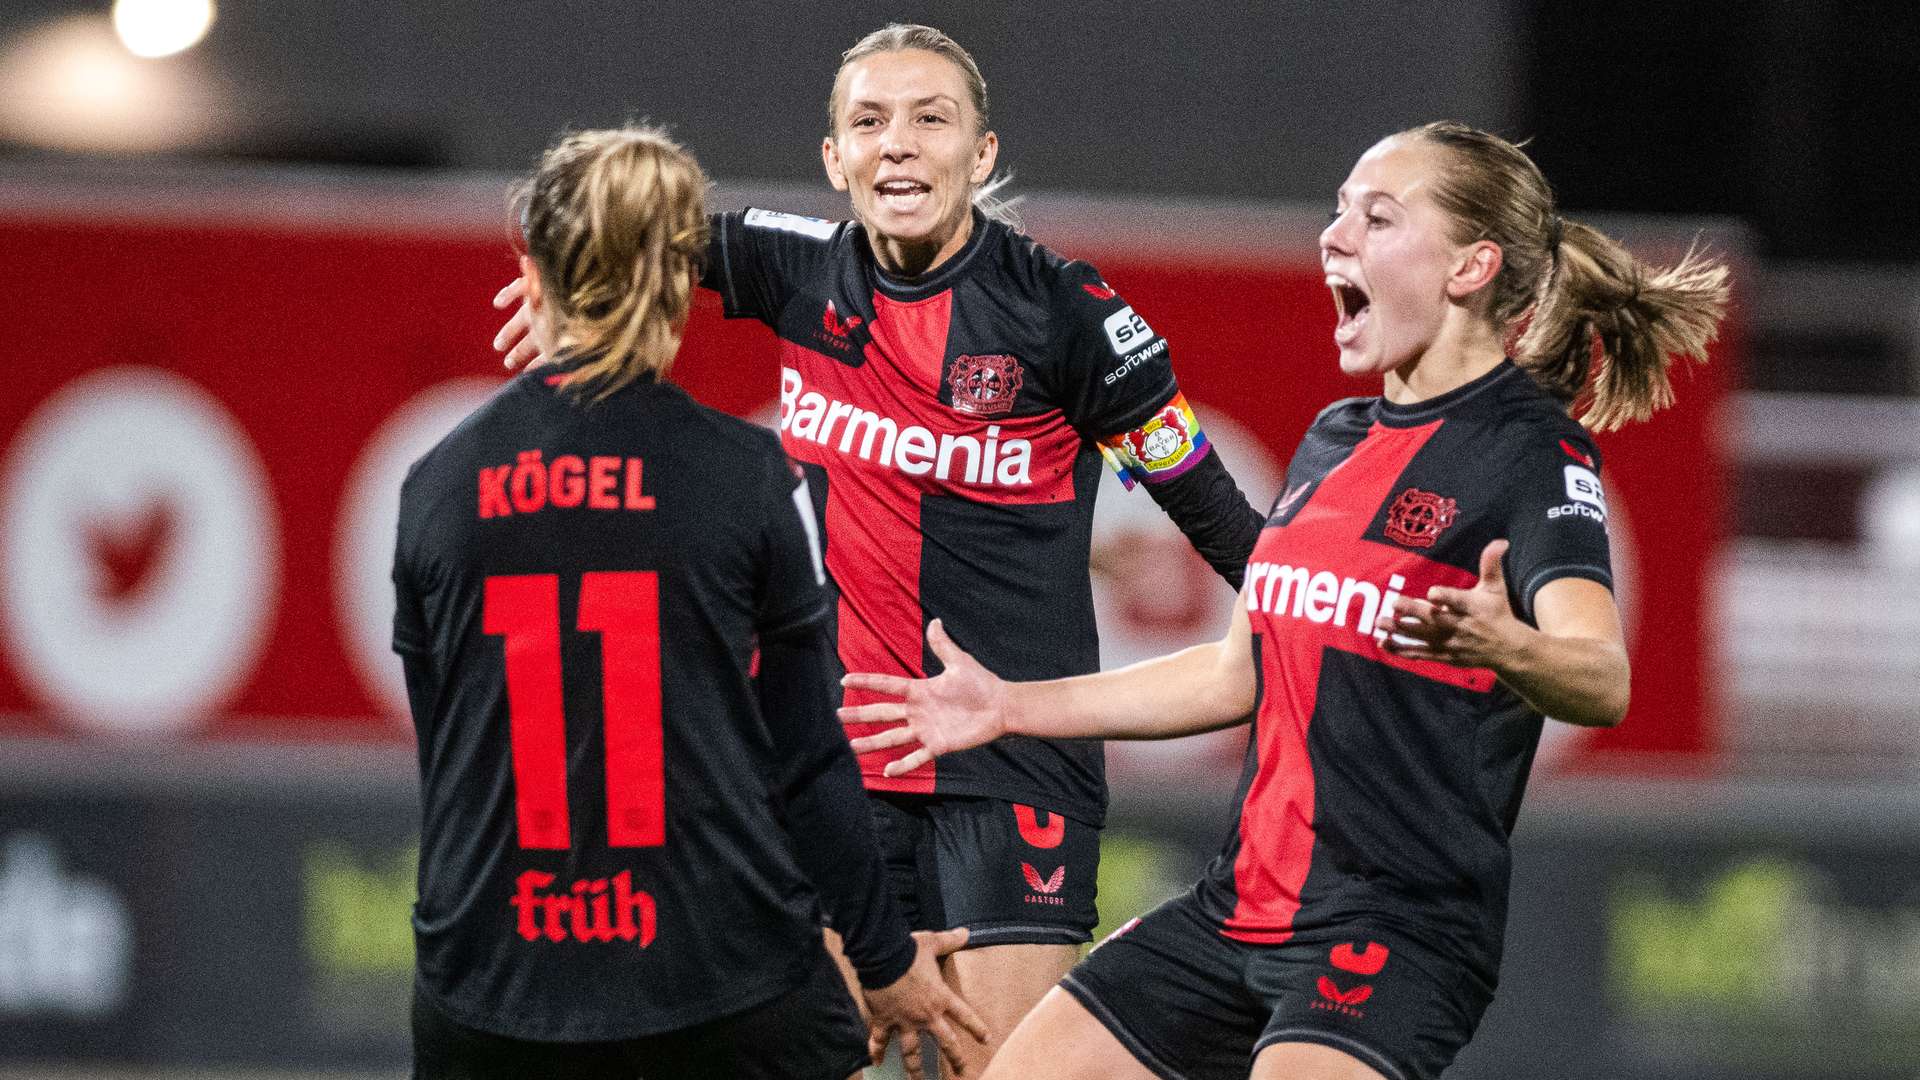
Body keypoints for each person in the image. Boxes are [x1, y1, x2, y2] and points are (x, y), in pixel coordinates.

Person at [838, 120, 1730, 1080]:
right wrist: (1009, 707)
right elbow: (1238, 670)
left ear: (1471, 266)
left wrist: (1506, 645)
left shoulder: (1532, 452)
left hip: (1392, 933)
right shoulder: (1335, 437)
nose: (1334, 235)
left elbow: (1602, 679)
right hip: (1232, 915)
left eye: (1376, 216)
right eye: (1339, 209)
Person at [489, 24, 1268, 1074]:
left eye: (929, 118)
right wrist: (567, 293)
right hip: (837, 765)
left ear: (980, 156)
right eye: (870, 122)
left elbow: (1226, 524)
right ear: (834, 160)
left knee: (981, 1071)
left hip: (1011, 768)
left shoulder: (1067, 316)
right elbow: (620, 224)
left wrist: (1343, 646)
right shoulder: (794, 266)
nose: (898, 144)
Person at [394, 125, 986, 1080]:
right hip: (717, 993)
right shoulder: (751, 479)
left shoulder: (435, 483)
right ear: (679, 290)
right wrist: (882, 960)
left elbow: (449, 762)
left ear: (532, 276)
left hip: (487, 996)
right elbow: (805, 760)